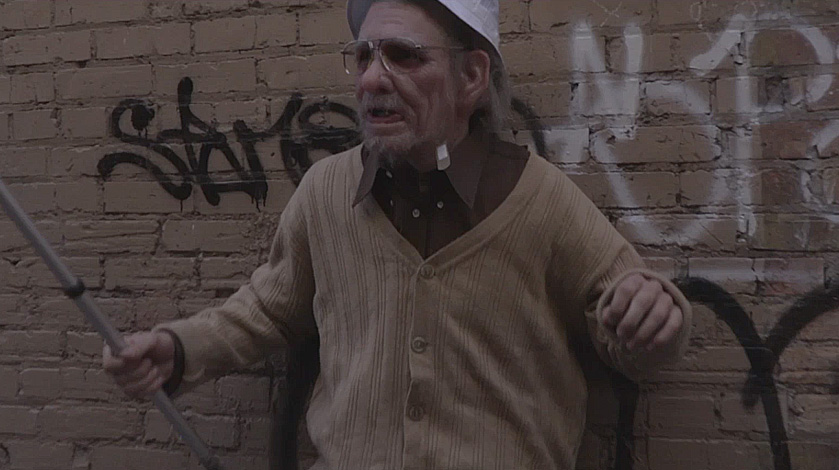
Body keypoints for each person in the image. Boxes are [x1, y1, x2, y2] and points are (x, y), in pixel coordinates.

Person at [103, 1, 693, 468]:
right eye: (363, 56)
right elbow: (267, 310)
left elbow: (634, 326)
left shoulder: (539, 199)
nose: (372, 79)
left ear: (471, 76)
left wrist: (653, 314)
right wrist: (179, 349)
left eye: (404, 56)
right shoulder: (326, 193)